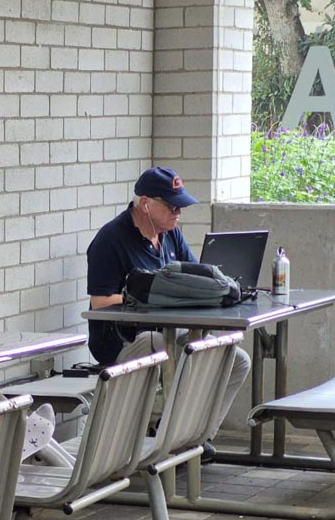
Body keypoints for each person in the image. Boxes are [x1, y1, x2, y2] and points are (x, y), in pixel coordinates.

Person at [86, 166, 251, 436]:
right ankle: (170, 436)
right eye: (172, 207)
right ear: (145, 205)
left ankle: (194, 436)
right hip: (124, 339)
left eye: (180, 207)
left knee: (236, 359)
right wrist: (151, 302)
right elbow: (101, 302)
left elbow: (195, 278)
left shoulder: (170, 233)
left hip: (170, 332)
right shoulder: (110, 240)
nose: (178, 213)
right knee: (173, 351)